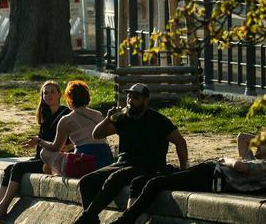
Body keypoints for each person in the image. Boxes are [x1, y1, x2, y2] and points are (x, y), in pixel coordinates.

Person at [111, 130, 266, 224]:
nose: (257, 146)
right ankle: (133, 216)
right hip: (207, 171)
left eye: (262, 144)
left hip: (210, 178)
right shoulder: (257, 160)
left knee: (155, 183)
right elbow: (242, 138)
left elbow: (240, 166)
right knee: (140, 181)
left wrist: (224, 160)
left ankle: (125, 220)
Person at [73, 83, 188, 224]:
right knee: (86, 181)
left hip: (148, 165)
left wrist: (184, 171)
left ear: (145, 100)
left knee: (116, 178)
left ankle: (86, 218)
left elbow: (180, 143)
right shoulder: (123, 118)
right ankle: (92, 220)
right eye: (129, 97)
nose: (130, 101)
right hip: (123, 163)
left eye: (135, 98)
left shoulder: (158, 120)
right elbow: (97, 134)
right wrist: (107, 119)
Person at [0, 81, 71, 221]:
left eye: (52, 92)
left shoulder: (65, 114)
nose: (49, 95)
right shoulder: (44, 115)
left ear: (59, 94)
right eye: (45, 92)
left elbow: (74, 139)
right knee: (9, 169)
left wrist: (68, 147)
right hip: (41, 157)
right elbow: (44, 140)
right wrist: (34, 143)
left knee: (18, 167)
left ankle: (2, 207)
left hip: (54, 160)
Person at [35, 80, 113, 176]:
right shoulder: (98, 114)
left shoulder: (66, 120)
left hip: (84, 162)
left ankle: (59, 174)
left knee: (44, 153)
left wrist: (39, 141)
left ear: (69, 98)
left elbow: (55, 147)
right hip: (106, 160)